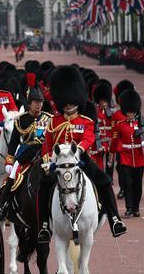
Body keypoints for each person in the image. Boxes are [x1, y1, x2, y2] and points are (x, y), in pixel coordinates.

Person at [36, 65, 127, 242]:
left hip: (80, 158)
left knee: (104, 181)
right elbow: (48, 143)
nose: (68, 105)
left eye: (71, 101)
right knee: (44, 186)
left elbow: (88, 138)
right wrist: (47, 159)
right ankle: (44, 226)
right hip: (58, 160)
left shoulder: (85, 121)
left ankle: (115, 220)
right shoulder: (54, 121)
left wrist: (78, 150)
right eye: (65, 102)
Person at [0, 87, 51, 220]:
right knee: (13, 177)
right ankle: (4, 205)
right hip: (25, 154)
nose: (38, 104)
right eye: (36, 102)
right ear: (29, 103)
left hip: (45, 153)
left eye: (40, 102)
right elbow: (13, 143)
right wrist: (9, 161)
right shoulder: (20, 120)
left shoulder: (49, 118)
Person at [110, 90, 144, 217]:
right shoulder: (120, 125)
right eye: (128, 112)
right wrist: (111, 154)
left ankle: (136, 208)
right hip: (125, 158)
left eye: (132, 112)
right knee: (127, 183)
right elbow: (115, 141)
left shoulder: (141, 124)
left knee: (138, 185)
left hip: (138, 158)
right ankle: (129, 207)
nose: (130, 114)